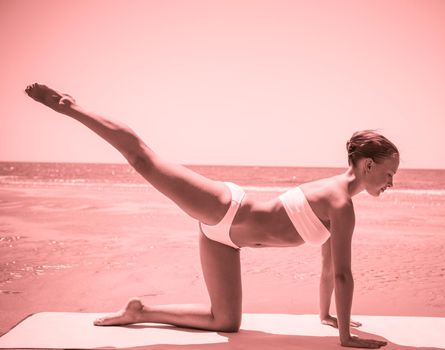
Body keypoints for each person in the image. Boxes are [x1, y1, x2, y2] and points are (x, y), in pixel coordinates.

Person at [25, 83, 397, 348]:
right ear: (366, 165)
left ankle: (140, 310)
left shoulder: (340, 199)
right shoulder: (340, 202)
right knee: (143, 159)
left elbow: (329, 266)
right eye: (388, 173)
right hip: (225, 207)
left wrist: (328, 318)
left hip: (226, 241)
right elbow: (344, 274)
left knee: (226, 322)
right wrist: (346, 338)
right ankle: (69, 106)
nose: (391, 182)